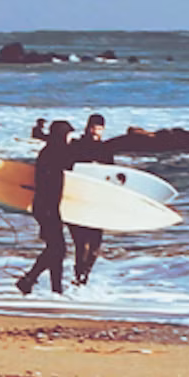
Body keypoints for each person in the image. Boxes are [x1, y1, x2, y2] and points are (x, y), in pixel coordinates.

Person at [15, 119, 76, 295]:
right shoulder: (56, 151)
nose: (70, 138)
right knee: (58, 248)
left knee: (56, 248)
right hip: (47, 207)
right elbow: (70, 163)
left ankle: (54, 289)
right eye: (68, 135)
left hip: (45, 206)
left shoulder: (50, 150)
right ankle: (29, 280)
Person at [68, 113, 115, 285]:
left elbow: (112, 175)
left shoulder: (105, 149)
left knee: (95, 247)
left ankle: (83, 277)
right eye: (93, 128)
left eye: (99, 128)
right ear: (87, 127)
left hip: (97, 201)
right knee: (81, 244)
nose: (96, 132)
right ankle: (78, 277)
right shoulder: (75, 146)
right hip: (77, 198)